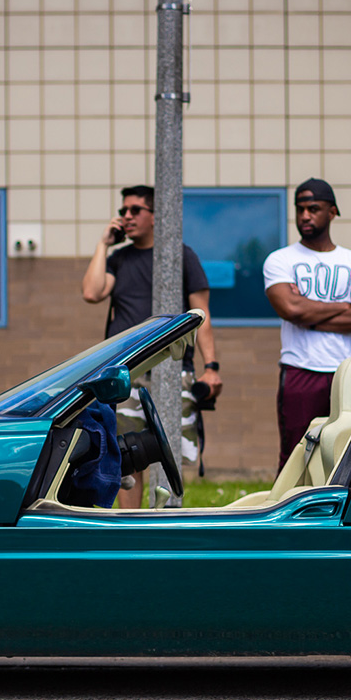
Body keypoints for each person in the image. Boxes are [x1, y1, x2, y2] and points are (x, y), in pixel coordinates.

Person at [81, 184, 222, 509]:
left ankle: (168, 520)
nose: (126, 217)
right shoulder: (119, 258)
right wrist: (103, 244)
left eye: (135, 210)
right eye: (123, 211)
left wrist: (211, 367)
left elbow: (203, 317)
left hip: (173, 369)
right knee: (125, 452)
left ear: (157, 216)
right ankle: (130, 527)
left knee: (168, 449)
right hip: (125, 373)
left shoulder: (181, 256)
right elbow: (92, 292)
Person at [263, 178, 351, 470]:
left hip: (347, 371)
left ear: (332, 211)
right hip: (300, 370)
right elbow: (290, 308)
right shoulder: (280, 259)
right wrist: (343, 306)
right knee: (295, 456)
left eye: (313, 208)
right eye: (300, 209)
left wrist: (310, 316)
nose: (304, 216)